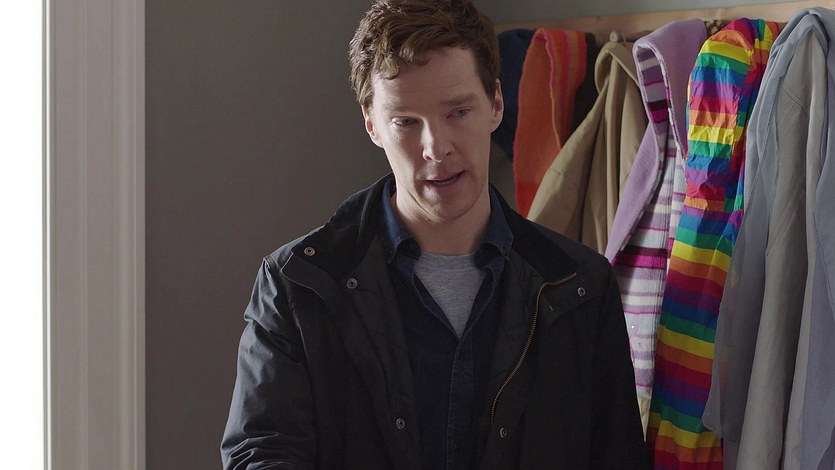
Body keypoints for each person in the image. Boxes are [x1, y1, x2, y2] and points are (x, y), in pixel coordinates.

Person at [221, 1, 648, 468]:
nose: (436, 148)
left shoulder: (582, 286)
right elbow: (260, 455)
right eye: (406, 121)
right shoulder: (297, 283)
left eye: (458, 112)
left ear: (496, 104)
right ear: (372, 124)